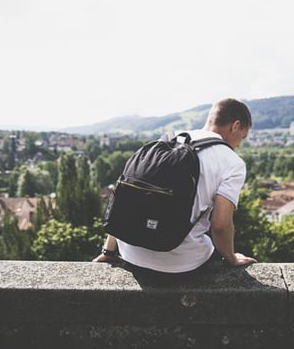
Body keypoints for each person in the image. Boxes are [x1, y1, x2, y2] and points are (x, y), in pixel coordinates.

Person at [92, 98, 257, 279]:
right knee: (212, 251)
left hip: (129, 253)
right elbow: (220, 225)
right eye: (242, 136)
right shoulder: (232, 163)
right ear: (235, 125)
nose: (239, 144)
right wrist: (232, 258)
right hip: (180, 265)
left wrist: (108, 251)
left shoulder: (166, 140)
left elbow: (128, 197)